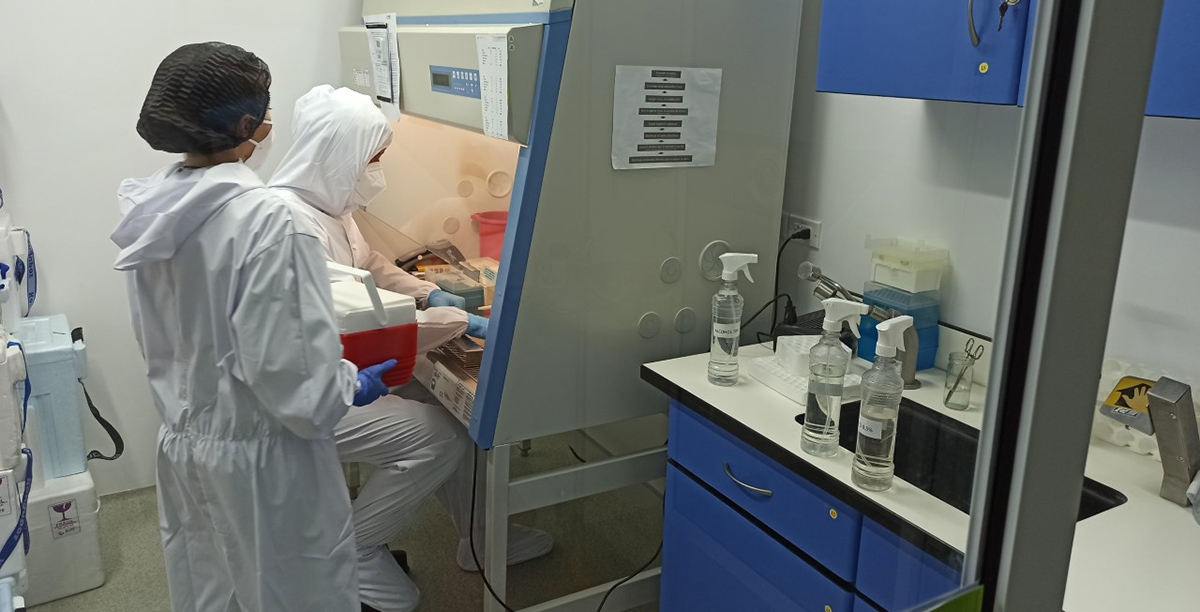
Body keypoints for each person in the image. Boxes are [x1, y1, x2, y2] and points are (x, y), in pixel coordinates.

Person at [111, 44, 395, 612]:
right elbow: (298, 387)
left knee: (212, 590)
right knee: (297, 595)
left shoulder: (155, 207)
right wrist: (348, 384)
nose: (270, 123)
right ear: (246, 125)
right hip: (264, 462)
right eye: (265, 110)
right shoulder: (269, 221)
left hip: (186, 443)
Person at [269, 85, 552, 612]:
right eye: (374, 158)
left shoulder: (327, 204)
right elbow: (367, 321)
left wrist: (428, 292)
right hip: (307, 392)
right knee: (440, 437)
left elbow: (367, 265)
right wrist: (460, 320)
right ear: (341, 155)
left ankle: (480, 539)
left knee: (445, 412)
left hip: (334, 369)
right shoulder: (291, 226)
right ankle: (353, 551)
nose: (378, 170)